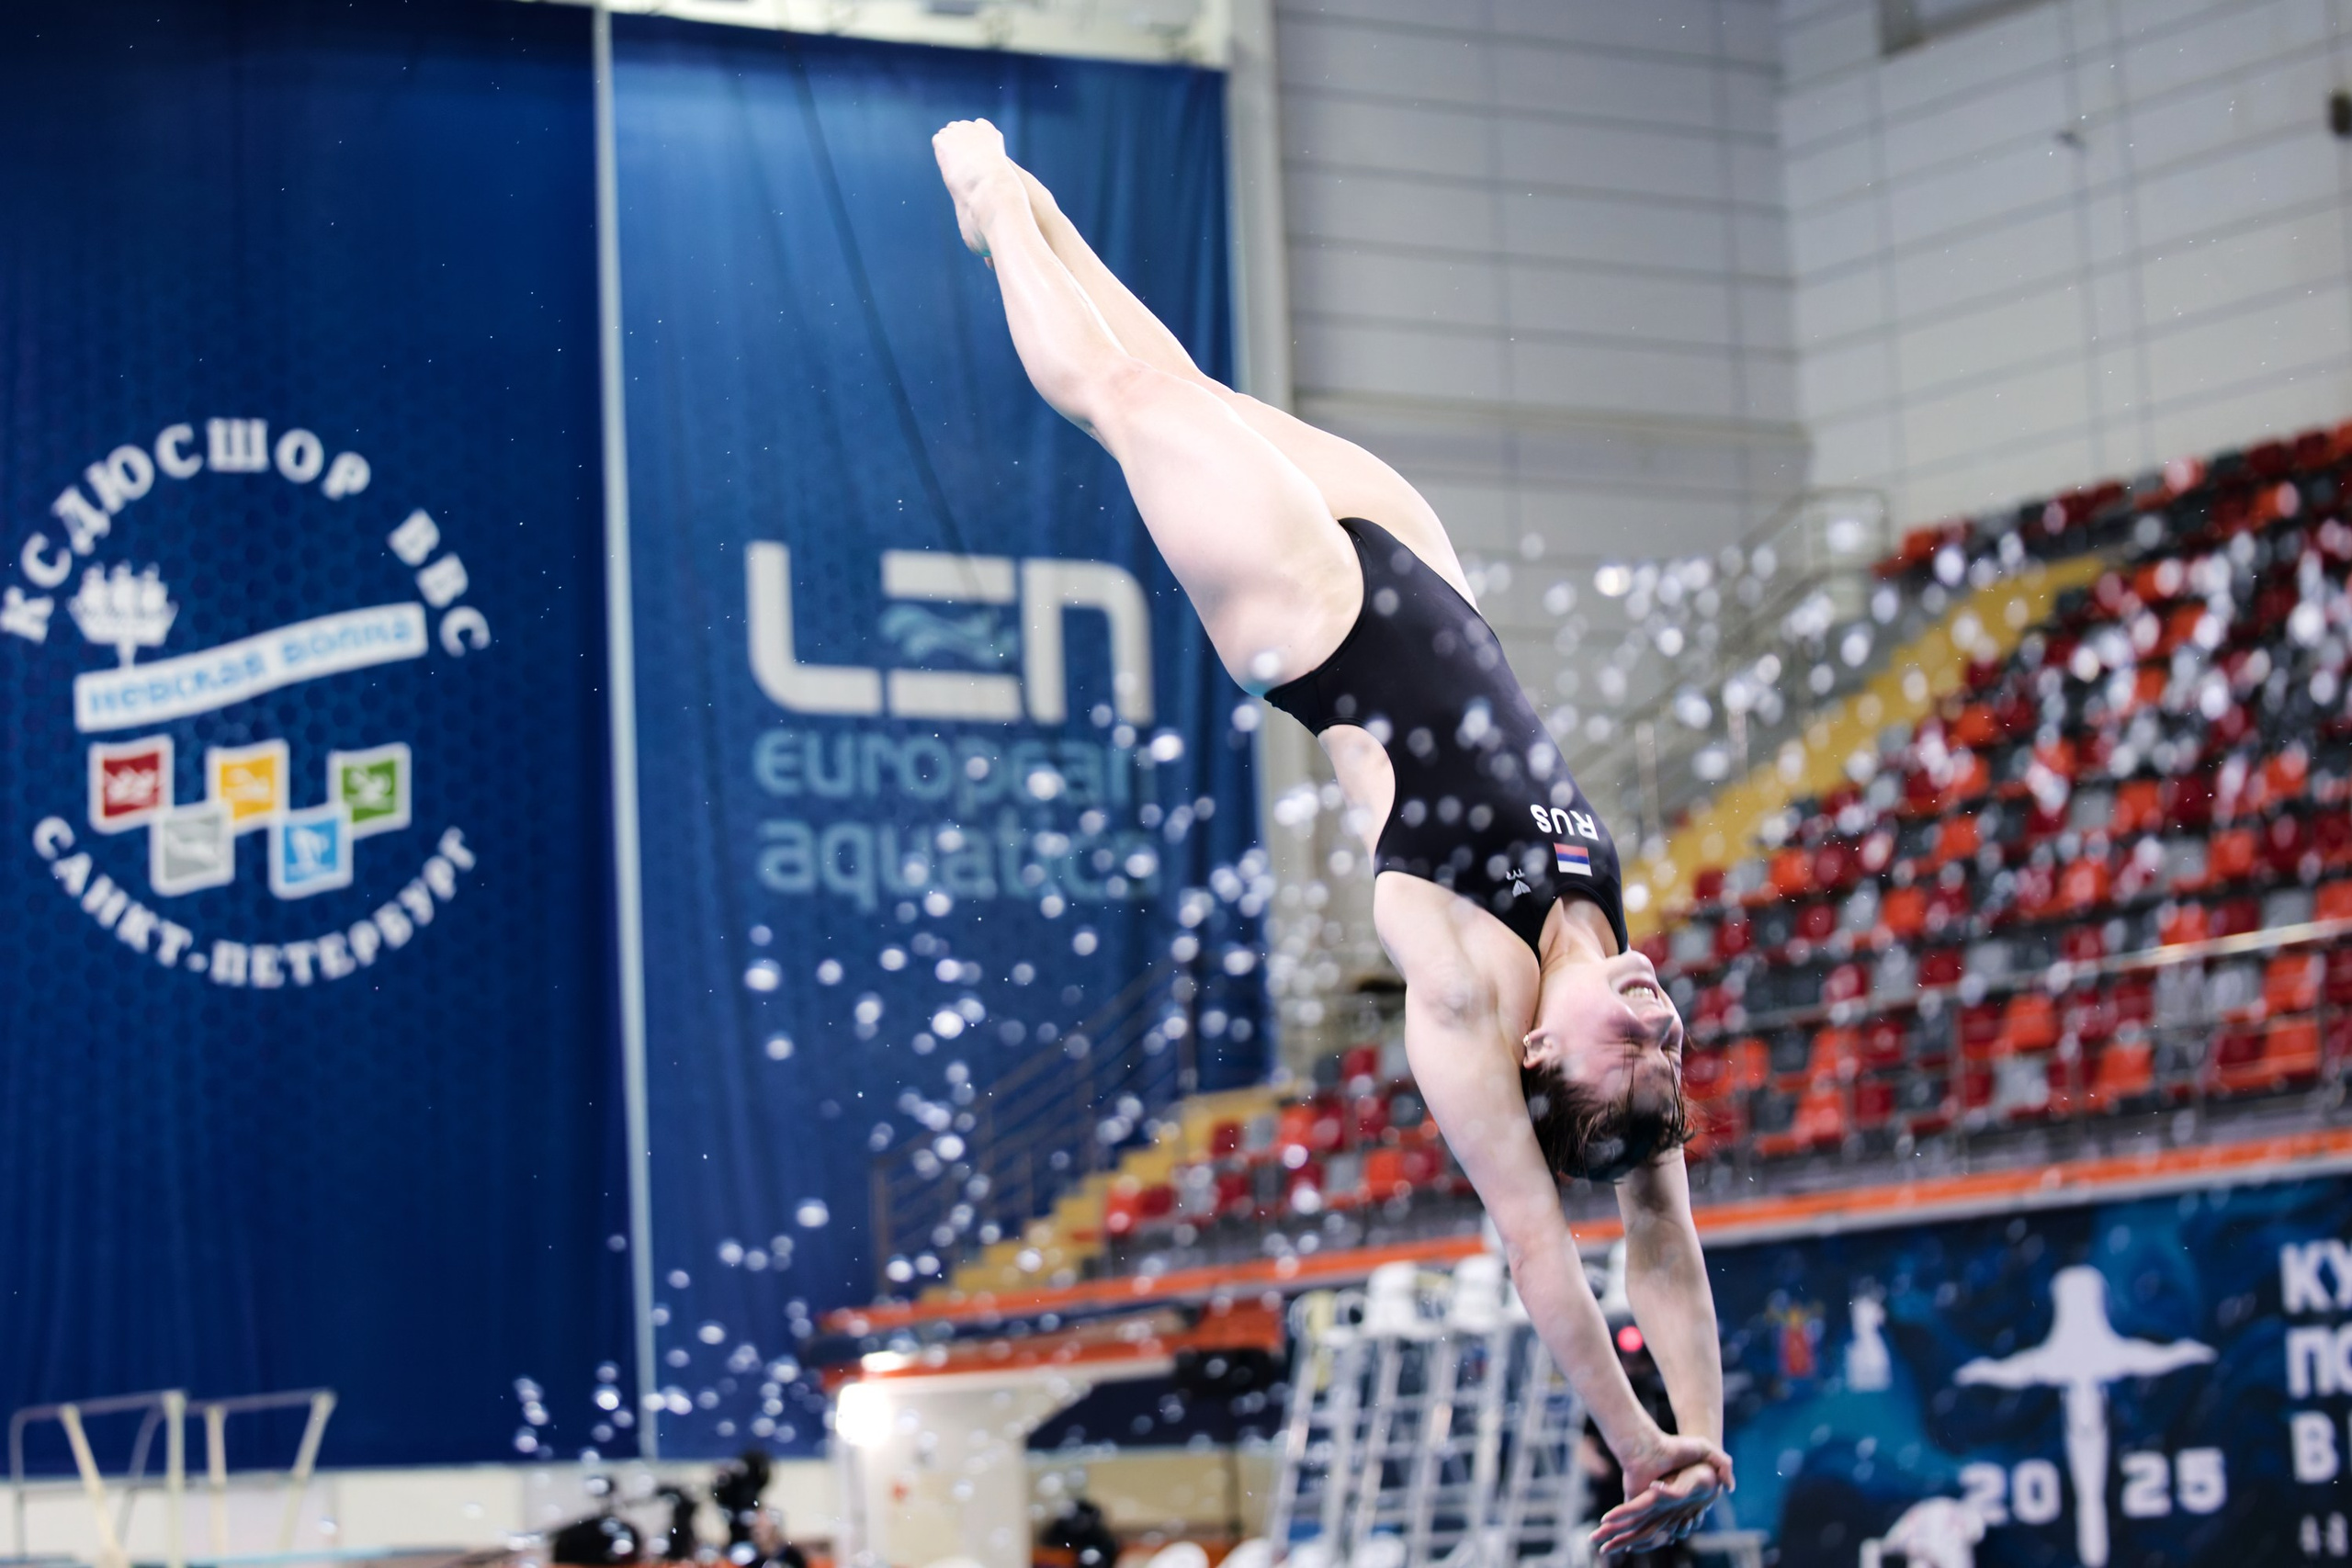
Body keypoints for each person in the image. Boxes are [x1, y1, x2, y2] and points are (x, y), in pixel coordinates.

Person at [932, 118, 1730, 1556]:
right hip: (1423, 566)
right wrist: (1706, 1438)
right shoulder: (1606, 970)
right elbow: (1665, 1243)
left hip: (1312, 629)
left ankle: (991, 199)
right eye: (1672, 1044)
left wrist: (1633, 1447)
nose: (1663, 1028)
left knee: (1127, 395)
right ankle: (1038, 218)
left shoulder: (1468, 998)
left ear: (1547, 1063)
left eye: (1642, 1054)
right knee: (1186, 386)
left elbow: (1552, 1254)